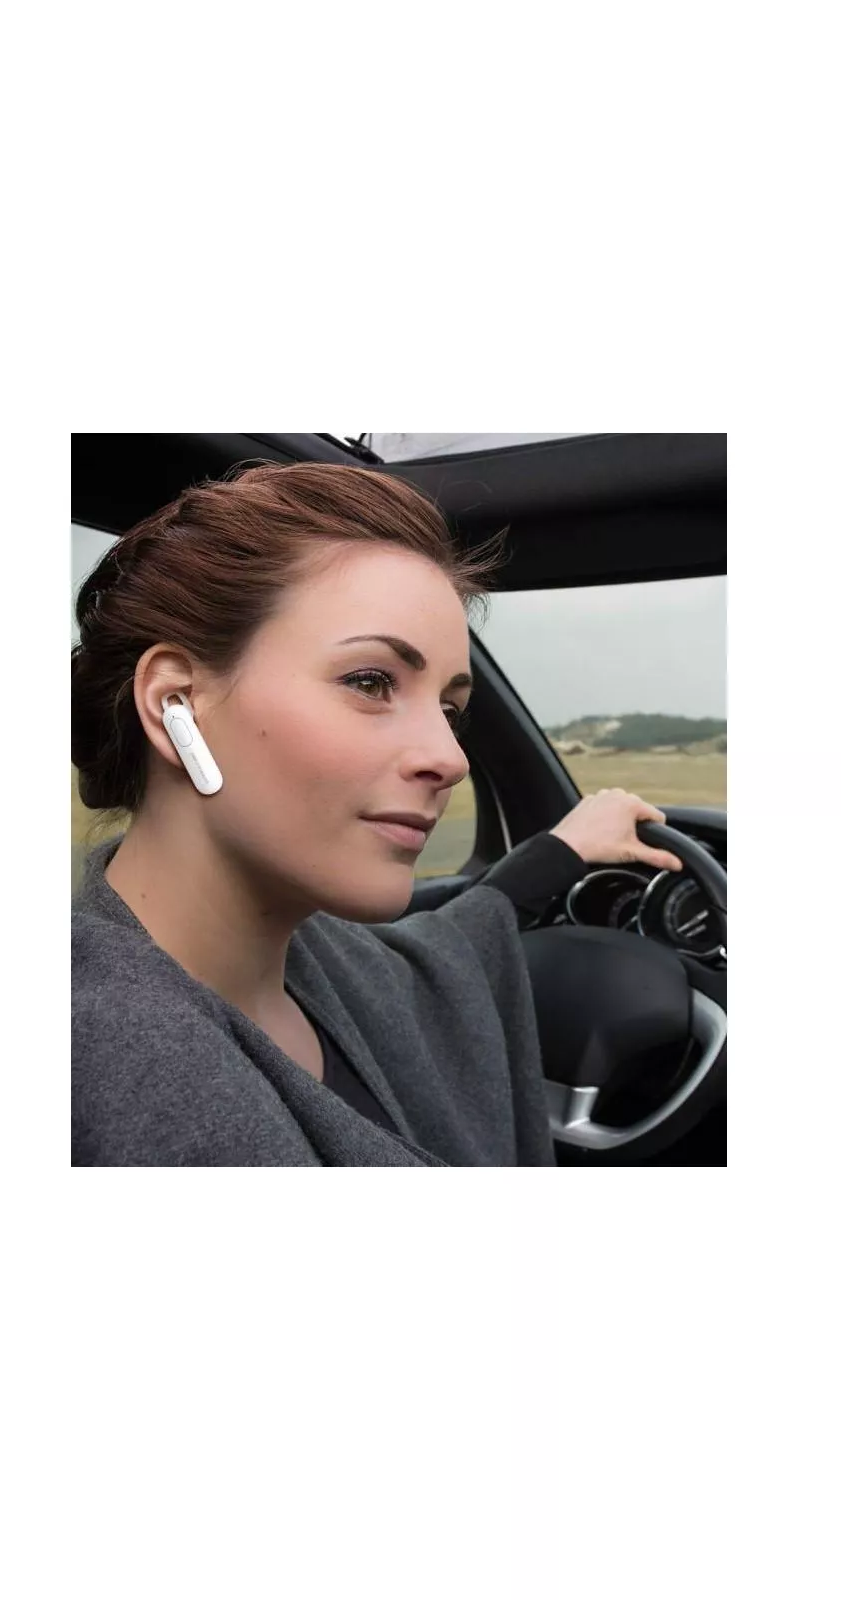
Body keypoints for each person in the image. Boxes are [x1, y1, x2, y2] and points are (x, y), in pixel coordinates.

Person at [71, 460, 683, 1166]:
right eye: (370, 682)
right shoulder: (119, 1081)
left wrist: (562, 852)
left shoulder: (323, 963)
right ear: (174, 705)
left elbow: (443, 951)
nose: (450, 758)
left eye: (450, 709)